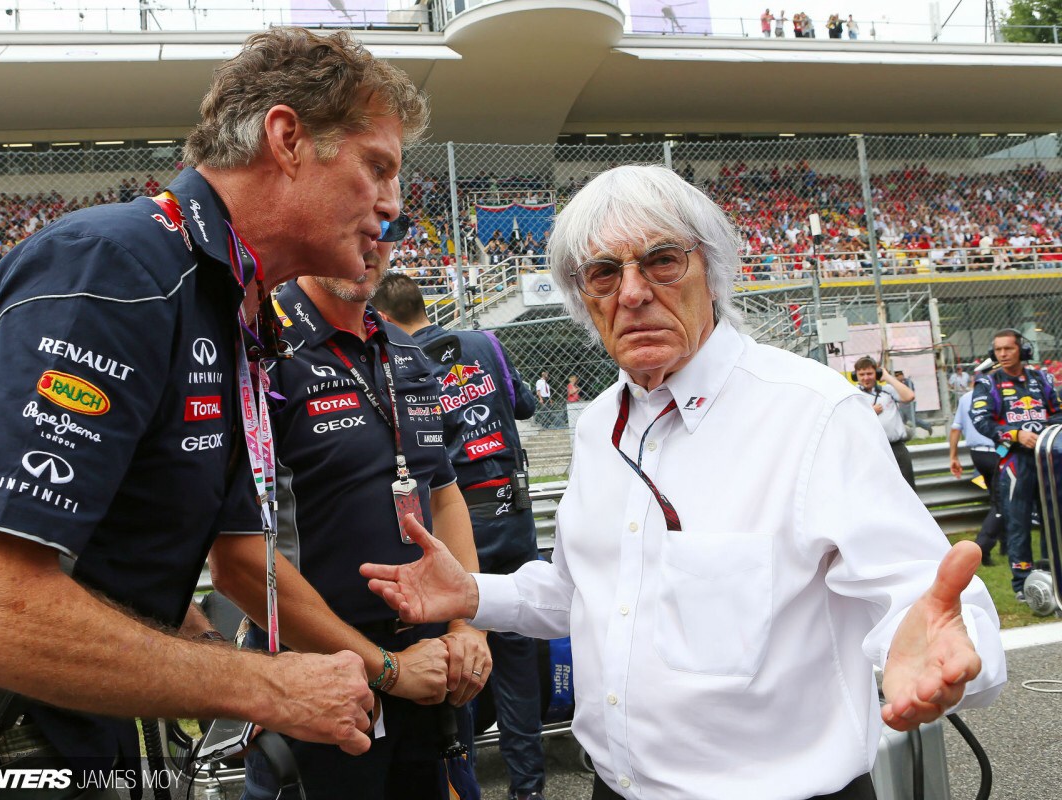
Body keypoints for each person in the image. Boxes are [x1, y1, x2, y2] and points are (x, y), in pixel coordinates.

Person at [0, 27, 428, 797]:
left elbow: (136, 567)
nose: (393, 206)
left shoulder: (235, 314)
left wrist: (208, 652)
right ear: (288, 139)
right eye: (379, 167)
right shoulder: (116, 266)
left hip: (82, 743)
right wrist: (265, 685)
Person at [361, 164, 1005, 800]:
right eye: (604, 273)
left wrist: (943, 647)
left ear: (713, 273)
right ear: (583, 299)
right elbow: (586, 592)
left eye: (662, 261)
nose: (632, 293)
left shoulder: (813, 413)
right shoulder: (600, 426)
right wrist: (473, 593)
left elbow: (925, 597)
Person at [211, 234, 489, 800]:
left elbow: (443, 495)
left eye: (384, 227)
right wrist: (387, 669)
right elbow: (234, 563)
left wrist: (468, 624)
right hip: (319, 673)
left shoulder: (404, 351)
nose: (368, 245)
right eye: (351, 226)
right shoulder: (259, 350)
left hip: (428, 666)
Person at [372, 273, 547, 800]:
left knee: (455, 658)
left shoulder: (397, 361)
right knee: (516, 661)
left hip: (455, 533)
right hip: (512, 518)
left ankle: (458, 778)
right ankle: (528, 788)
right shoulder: (485, 343)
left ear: (384, 317)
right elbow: (525, 406)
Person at [970, 329, 1062, 599]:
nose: (1002, 354)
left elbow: (1059, 413)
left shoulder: (1042, 378)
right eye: (998, 350)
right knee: (1017, 522)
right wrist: (1015, 434)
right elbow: (981, 420)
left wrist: (1044, 433)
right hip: (1013, 460)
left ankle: (1054, 575)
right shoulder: (988, 383)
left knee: (1054, 520)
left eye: (1008, 348)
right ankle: (1024, 585)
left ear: (1022, 350)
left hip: (1047, 458)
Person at [948, 370, 1003, 567]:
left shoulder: (965, 398)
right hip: (998, 451)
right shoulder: (998, 394)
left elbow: (956, 428)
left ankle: (1006, 545)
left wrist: (953, 456)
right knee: (1002, 501)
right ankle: (982, 547)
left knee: (998, 497)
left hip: (977, 454)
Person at [854, 356, 917, 487]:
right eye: (862, 374)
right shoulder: (854, 395)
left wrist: (887, 377)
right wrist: (869, 412)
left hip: (896, 448)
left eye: (870, 373)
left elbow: (909, 396)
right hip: (873, 450)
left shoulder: (887, 390)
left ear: (877, 374)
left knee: (907, 487)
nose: (866, 378)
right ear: (856, 376)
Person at [893, 369, 934, 438]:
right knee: (901, 420)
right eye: (896, 376)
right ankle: (902, 435)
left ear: (902, 375)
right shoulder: (897, 383)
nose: (897, 377)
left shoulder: (907, 382)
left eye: (898, 375)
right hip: (902, 403)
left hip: (909, 403)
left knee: (912, 418)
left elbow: (910, 393)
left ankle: (927, 426)